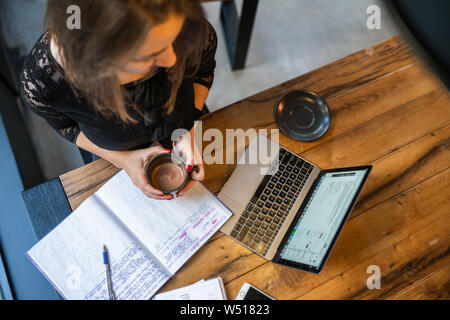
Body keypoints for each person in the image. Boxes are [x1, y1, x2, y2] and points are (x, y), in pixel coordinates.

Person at [20, 0, 217, 200]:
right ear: (97, 64)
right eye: (149, 57)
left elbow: (202, 72)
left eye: (173, 39)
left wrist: (187, 130)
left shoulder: (182, 26)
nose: (172, 60)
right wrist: (122, 159)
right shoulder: (44, 85)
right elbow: (64, 126)